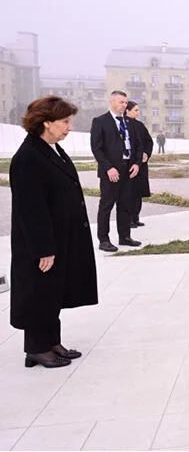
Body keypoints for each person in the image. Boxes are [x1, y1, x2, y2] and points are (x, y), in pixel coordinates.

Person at [10, 96, 98, 368]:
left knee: (52, 291)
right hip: (41, 242)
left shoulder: (50, 149)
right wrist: (43, 248)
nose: (69, 127)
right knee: (39, 291)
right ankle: (36, 348)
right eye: (65, 122)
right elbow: (30, 208)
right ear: (46, 123)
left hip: (59, 236)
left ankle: (52, 342)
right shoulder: (28, 157)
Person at [90, 90, 142, 252]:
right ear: (111, 102)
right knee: (106, 205)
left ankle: (125, 236)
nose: (124, 105)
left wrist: (137, 163)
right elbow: (97, 148)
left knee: (125, 205)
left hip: (128, 170)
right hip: (111, 171)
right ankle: (103, 239)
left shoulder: (130, 122)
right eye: (121, 102)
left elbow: (138, 145)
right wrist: (108, 168)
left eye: (126, 102)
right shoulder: (100, 121)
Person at [126, 100, 153, 227]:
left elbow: (149, 141)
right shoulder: (124, 124)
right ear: (127, 111)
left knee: (138, 193)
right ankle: (129, 219)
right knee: (129, 193)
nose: (138, 112)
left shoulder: (140, 125)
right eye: (135, 110)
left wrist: (146, 153)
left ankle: (136, 217)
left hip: (141, 164)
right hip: (129, 164)